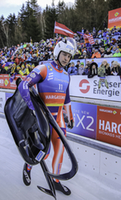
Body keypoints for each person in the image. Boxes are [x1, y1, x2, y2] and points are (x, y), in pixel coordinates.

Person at [18, 37, 76, 195]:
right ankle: (28, 166)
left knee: (60, 150)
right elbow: (24, 85)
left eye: (69, 56)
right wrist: (32, 107)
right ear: (58, 52)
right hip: (43, 118)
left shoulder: (66, 75)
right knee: (45, 152)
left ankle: (55, 180)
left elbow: (67, 98)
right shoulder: (44, 68)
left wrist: (70, 116)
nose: (66, 58)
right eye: (64, 54)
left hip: (58, 120)